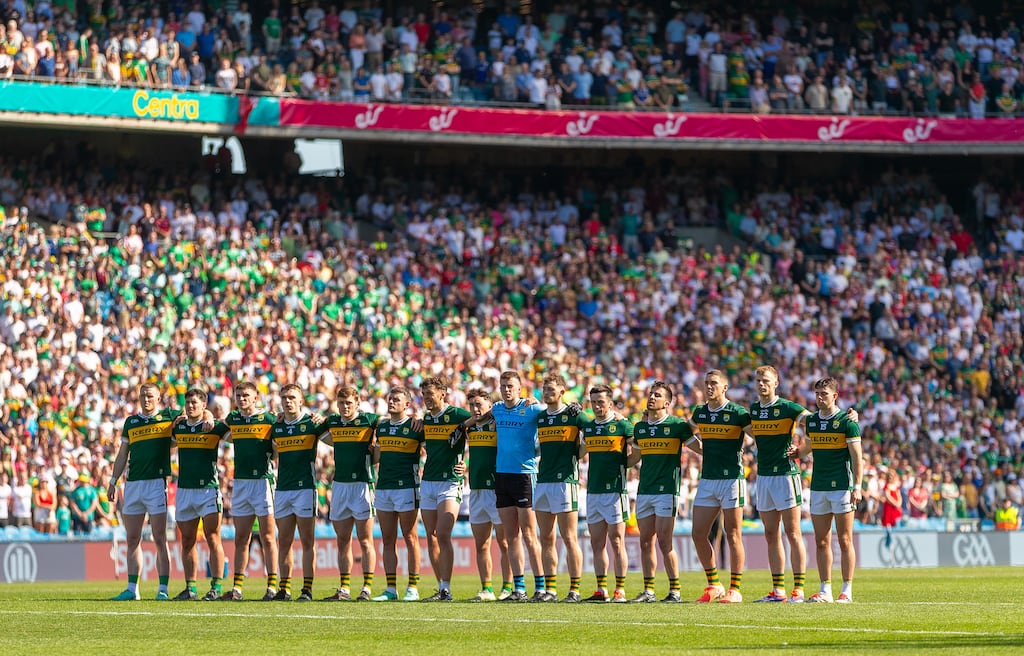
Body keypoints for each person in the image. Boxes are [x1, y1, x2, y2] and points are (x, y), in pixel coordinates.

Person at [791, 377, 862, 603]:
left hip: (842, 486)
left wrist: (857, 486)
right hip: (818, 487)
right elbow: (809, 447)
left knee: (844, 540)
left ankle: (847, 590)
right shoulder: (811, 422)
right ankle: (825, 590)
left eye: (824, 394)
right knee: (821, 541)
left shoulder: (847, 421)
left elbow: (857, 458)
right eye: (818, 394)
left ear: (835, 396)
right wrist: (797, 453)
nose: (820, 398)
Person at [108, 383, 181, 601]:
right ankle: (132, 589)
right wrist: (113, 480)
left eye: (150, 396)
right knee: (132, 538)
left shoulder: (168, 417)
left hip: (156, 483)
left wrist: (204, 414)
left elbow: (194, 411)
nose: (146, 399)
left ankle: (163, 589)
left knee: (159, 537)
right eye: (142, 395)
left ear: (159, 398)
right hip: (133, 485)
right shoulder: (131, 422)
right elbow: (122, 454)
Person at [627, 381, 698, 603]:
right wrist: (608, 461)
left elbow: (698, 447)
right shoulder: (640, 428)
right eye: (650, 394)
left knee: (665, 542)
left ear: (666, 403)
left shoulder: (678, 426)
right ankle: (648, 591)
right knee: (645, 541)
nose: (651, 397)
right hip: (645, 490)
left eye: (657, 395)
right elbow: (634, 458)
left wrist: (723, 451)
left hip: (667, 490)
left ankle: (674, 591)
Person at [748, 365, 811, 603]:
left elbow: (813, 422)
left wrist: (802, 450)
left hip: (786, 475)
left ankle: (799, 589)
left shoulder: (787, 407)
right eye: (758, 380)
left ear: (776, 383)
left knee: (793, 532)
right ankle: (778, 590)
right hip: (764, 476)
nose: (761, 384)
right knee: (771, 534)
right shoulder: (754, 409)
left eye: (766, 380)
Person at [689, 370, 752, 603]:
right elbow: (685, 432)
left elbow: (757, 435)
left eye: (713, 383)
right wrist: (700, 449)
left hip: (731, 479)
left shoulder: (737, 413)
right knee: (698, 533)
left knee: (733, 533)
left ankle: (735, 589)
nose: (709, 387)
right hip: (708, 480)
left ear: (724, 388)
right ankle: (714, 584)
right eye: (706, 383)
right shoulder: (701, 412)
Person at [318, 386, 379, 601]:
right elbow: (313, 424)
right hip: (340, 485)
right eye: (341, 403)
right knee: (343, 540)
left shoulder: (370, 420)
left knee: (365, 540)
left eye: (349, 403)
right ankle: (344, 588)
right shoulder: (333, 422)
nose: (345, 407)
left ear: (357, 403)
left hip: (362, 485)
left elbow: (390, 425)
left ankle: (367, 588)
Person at [221, 381, 279, 601]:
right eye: (238, 395)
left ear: (256, 398)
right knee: (241, 538)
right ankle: (237, 588)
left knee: (267, 537)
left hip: (263, 482)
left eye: (246, 395)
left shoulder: (269, 419)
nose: (242, 399)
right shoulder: (233, 419)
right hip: (241, 483)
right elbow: (218, 426)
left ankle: (272, 586)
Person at [171, 388, 228, 601]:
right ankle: (190, 588)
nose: (190, 406)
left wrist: (211, 416)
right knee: (187, 540)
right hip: (185, 489)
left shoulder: (213, 427)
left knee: (213, 537)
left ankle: (217, 586)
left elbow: (231, 428)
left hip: (208, 489)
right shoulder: (179, 426)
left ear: (204, 405)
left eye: (195, 402)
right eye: (188, 402)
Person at [533, 373, 585, 602]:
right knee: (546, 538)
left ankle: (574, 589)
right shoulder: (541, 417)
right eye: (545, 389)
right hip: (543, 481)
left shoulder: (574, 416)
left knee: (569, 537)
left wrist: (579, 454)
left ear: (562, 392)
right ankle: (550, 589)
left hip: (566, 482)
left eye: (552, 389)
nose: (547, 393)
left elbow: (597, 428)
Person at [418, 376, 471, 602]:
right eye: (424, 395)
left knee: (443, 534)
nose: (427, 399)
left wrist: (466, 462)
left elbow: (481, 426)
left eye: (430, 394)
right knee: (431, 537)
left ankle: (447, 588)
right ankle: (441, 588)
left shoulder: (459, 415)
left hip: (450, 481)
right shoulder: (426, 419)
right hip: (428, 480)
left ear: (442, 393)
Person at [580, 384, 634, 603]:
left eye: (601, 402)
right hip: (593, 491)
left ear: (610, 403)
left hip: (615, 492)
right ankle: (601, 589)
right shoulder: (590, 428)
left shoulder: (622, 425)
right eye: (593, 402)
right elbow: (579, 451)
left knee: (617, 540)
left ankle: (620, 589)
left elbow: (638, 450)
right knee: (596, 542)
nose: (597, 406)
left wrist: (624, 465)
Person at [269, 383, 323, 602]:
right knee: (284, 541)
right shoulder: (277, 426)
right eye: (284, 398)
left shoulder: (312, 423)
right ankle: (284, 588)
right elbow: (272, 453)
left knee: (307, 540)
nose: (288, 401)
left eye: (292, 397)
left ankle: (307, 589)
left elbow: (334, 433)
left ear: (301, 400)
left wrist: (322, 417)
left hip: (305, 488)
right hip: (282, 488)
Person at [372, 387, 425, 602]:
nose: (392, 401)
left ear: (407, 405)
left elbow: (439, 447)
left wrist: (459, 463)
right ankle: (390, 589)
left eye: (397, 399)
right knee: (387, 539)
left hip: (407, 487)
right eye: (390, 398)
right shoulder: (382, 426)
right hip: (384, 486)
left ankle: (412, 587)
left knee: (410, 537)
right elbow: (375, 456)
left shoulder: (415, 426)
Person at [460, 389, 512, 601]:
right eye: (472, 405)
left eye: (479, 404)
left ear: (490, 405)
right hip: (476, 489)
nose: (475, 408)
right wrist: (461, 465)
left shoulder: (499, 423)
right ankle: (487, 589)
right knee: (481, 544)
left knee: (505, 542)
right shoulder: (468, 428)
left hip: (497, 489)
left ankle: (508, 587)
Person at [879, 468, 903, 564]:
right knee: (888, 530)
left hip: (896, 511)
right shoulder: (886, 486)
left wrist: (899, 503)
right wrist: (895, 504)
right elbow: (888, 497)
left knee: (896, 529)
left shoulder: (895, 486)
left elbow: (899, 496)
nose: (890, 477)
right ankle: (890, 552)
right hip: (889, 510)